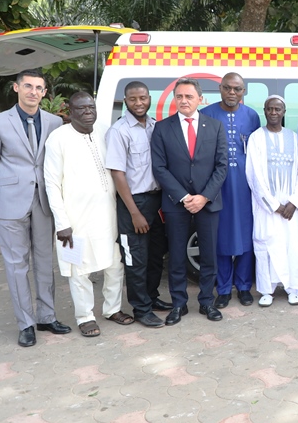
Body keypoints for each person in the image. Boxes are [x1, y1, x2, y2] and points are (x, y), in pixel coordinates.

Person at [0, 69, 71, 347]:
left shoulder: (55, 122)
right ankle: (26, 323)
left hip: (44, 201)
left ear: (45, 93)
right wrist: (5, 194)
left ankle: (46, 316)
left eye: (39, 88)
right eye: (28, 86)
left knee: (45, 261)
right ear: (16, 88)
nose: (34, 92)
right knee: (16, 265)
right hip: (11, 203)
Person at [44, 92, 133, 337]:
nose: (88, 112)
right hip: (75, 220)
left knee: (114, 264)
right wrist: (62, 222)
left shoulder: (105, 130)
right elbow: (51, 183)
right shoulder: (58, 138)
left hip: (108, 216)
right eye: (81, 108)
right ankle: (85, 317)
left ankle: (112, 309)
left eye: (91, 107)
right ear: (70, 111)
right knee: (78, 269)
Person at [151, 78, 228, 325]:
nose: (184, 101)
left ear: (200, 99)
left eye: (189, 96)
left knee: (209, 255)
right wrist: (185, 197)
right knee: (175, 256)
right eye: (180, 96)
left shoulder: (215, 127)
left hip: (208, 202)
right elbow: (160, 168)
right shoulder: (162, 128)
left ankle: (207, 302)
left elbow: (221, 166)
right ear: (175, 99)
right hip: (176, 203)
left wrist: (204, 197)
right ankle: (178, 304)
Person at [105, 81, 172, 329]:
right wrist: (134, 212)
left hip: (155, 200)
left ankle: (152, 298)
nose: (139, 103)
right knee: (136, 258)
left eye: (143, 98)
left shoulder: (155, 126)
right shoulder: (119, 131)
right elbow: (118, 173)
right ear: (126, 101)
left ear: (149, 98)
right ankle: (141, 309)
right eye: (133, 99)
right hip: (133, 203)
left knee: (155, 255)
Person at [201, 73, 261, 308]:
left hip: (246, 186)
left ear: (244, 91)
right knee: (221, 237)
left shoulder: (252, 116)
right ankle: (224, 288)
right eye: (228, 88)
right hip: (217, 186)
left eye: (237, 89)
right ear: (220, 88)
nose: (232, 93)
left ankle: (244, 286)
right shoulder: (207, 114)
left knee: (247, 236)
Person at [245, 96, 298, 307]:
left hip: (291, 206)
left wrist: (293, 201)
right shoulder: (256, 138)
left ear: (284, 112)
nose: (273, 113)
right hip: (266, 206)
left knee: (292, 245)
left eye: (277, 109)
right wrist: (275, 205)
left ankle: (293, 288)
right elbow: (254, 175)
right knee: (265, 245)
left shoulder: (295, 137)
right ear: (264, 111)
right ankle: (266, 290)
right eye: (270, 109)